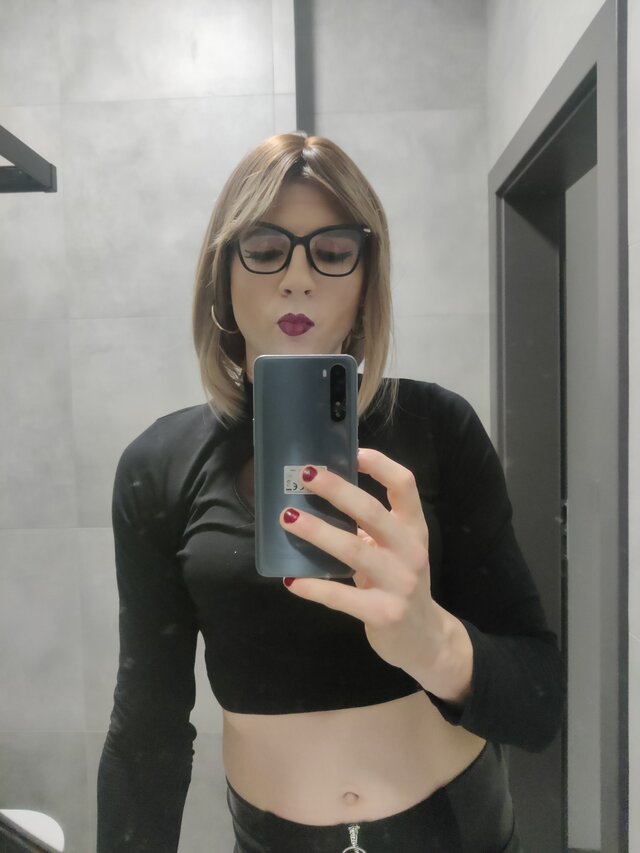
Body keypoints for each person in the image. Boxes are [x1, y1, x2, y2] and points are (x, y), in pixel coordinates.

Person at [96, 132, 564, 853]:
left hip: (455, 829)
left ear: (367, 280)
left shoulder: (439, 427)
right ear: (222, 274)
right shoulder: (158, 464)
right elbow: (147, 726)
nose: (297, 278)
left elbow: (538, 703)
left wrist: (432, 642)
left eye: (333, 250)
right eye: (264, 247)